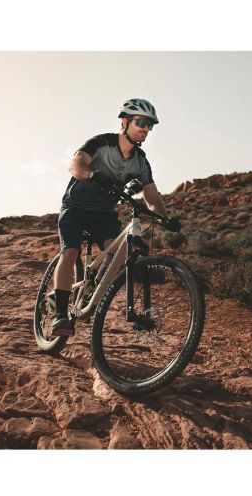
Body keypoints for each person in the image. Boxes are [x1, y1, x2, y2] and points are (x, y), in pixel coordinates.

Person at [50, 98, 172, 337]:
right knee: (70, 252)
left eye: (150, 125)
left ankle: (92, 287)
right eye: (141, 122)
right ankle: (60, 315)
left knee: (117, 252)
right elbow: (76, 164)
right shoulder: (101, 143)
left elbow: (152, 197)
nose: (146, 129)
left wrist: (164, 217)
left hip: (104, 213)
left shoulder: (140, 161)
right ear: (124, 121)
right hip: (75, 206)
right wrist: (90, 173)